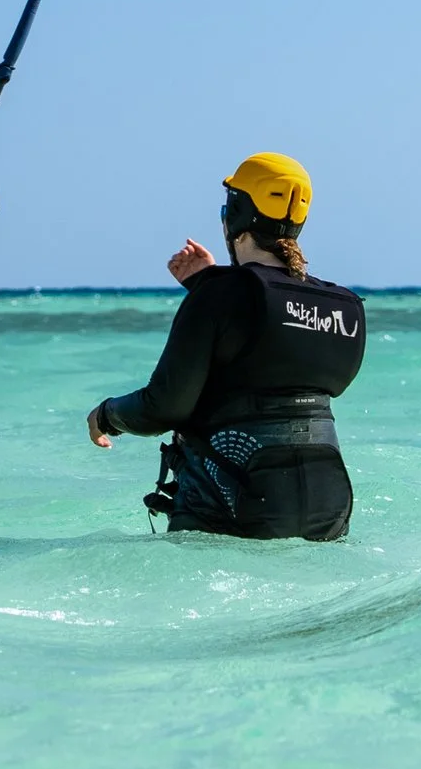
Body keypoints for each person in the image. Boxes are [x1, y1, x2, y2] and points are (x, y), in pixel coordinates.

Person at [85, 152, 366, 541]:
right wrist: (208, 285)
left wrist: (107, 415)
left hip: (234, 502)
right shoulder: (344, 306)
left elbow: (164, 406)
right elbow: (274, 351)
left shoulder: (222, 294)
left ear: (235, 213)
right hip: (328, 503)